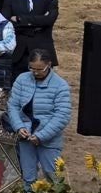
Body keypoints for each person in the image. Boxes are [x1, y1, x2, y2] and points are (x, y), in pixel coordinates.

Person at [7, 48, 70, 185]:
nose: (35, 72)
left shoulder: (60, 85)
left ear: (49, 65)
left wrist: (42, 135)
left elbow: (62, 115)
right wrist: (19, 127)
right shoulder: (22, 79)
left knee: (53, 178)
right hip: (25, 137)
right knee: (28, 178)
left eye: (40, 69)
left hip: (49, 140)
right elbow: (13, 106)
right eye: (32, 68)